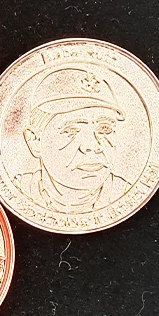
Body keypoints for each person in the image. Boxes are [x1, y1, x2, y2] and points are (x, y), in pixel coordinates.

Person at [15, 68, 131, 213]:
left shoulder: (124, 193)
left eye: (105, 128)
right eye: (71, 130)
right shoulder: (19, 190)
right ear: (34, 141)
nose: (94, 146)